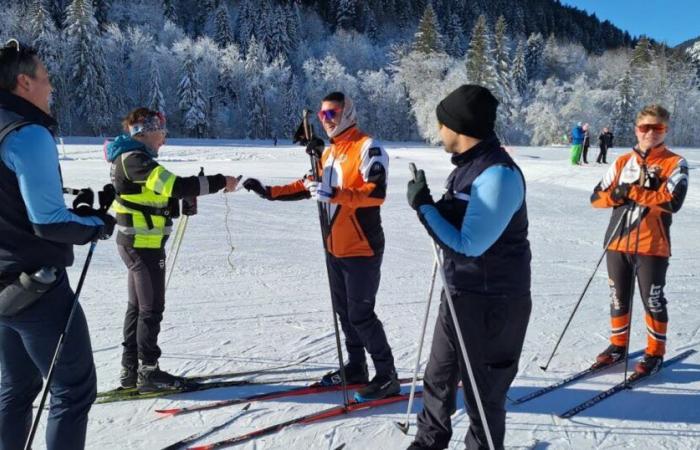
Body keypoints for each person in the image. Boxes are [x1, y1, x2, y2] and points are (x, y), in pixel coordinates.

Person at [243, 92, 399, 401]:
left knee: (361, 315)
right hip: (334, 246)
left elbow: (376, 192)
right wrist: (269, 191)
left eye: (332, 114)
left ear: (348, 112)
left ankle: (387, 376)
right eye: (322, 115)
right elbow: (308, 185)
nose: (326, 121)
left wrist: (335, 193)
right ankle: (357, 367)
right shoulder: (328, 153)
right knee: (344, 312)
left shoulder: (368, 147)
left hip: (362, 246)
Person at [0, 39, 115, 450]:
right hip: (37, 292)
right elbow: (47, 223)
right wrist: (95, 224)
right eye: (46, 80)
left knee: (16, 390)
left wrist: (73, 210)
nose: (52, 89)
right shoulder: (28, 134)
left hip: (3, 290)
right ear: (24, 82)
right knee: (73, 389)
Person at [406, 85, 531, 450]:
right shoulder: (468, 168)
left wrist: (425, 208)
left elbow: (470, 245)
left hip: (495, 303)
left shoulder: (499, 175)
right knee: (438, 377)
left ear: (459, 127)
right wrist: (435, 204)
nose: (437, 132)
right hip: (460, 292)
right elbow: (464, 223)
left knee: (484, 395)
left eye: (441, 124)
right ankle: (428, 443)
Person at [106, 107, 240, 392]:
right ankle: (148, 372)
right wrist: (219, 181)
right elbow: (176, 185)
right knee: (151, 309)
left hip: (139, 243)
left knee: (138, 308)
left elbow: (152, 195)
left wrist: (175, 203)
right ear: (145, 131)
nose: (164, 139)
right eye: (161, 132)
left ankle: (131, 370)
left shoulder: (132, 158)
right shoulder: (135, 159)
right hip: (143, 246)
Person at [591, 104, 688, 375]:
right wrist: (618, 195)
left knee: (653, 299)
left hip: (652, 245)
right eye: (645, 127)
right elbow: (596, 198)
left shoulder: (675, 162)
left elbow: (673, 201)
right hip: (617, 242)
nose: (650, 133)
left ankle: (655, 352)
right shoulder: (622, 162)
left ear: (665, 130)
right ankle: (617, 346)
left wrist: (634, 192)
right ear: (636, 129)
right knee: (618, 298)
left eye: (658, 128)